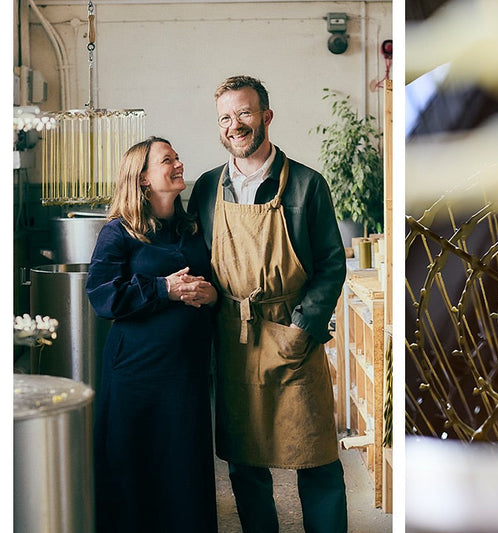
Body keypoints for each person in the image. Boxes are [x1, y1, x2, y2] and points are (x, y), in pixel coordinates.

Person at [188, 75, 348, 533]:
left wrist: (304, 325)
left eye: (243, 113)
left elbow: (331, 265)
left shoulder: (306, 185)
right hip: (234, 339)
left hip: (291, 334)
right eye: (225, 117)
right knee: (246, 462)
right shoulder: (206, 189)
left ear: (266, 117)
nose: (234, 125)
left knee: (316, 457)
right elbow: (196, 257)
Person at [86, 137, 219, 533]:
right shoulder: (119, 232)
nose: (179, 164)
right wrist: (163, 289)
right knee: (134, 475)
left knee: (185, 473)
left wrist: (211, 296)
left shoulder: (192, 228)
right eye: (167, 160)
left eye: (177, 157)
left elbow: (211, 284)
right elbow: (102, 296)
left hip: (186, 375)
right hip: (136, 377)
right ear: (143, 179)